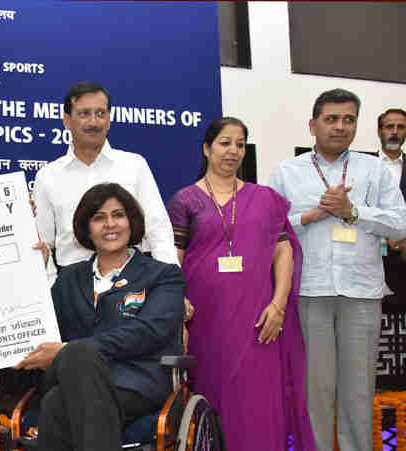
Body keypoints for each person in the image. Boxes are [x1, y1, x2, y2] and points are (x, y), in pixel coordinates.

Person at [269, 89, 406, 451]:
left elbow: (401, 225)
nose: (340, 127)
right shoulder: (287, 172)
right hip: (309, 293)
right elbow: (269, 231)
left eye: (349, 120)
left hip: (361, 294)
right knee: (315, 390)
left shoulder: (373, 169)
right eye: (331, 119)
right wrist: (308, 217)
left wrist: (354, 211)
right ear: (313, 125)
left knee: (358, 391)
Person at [168, 117, 314, 450]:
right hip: (205, 320)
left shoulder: (264, 198)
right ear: (207, 149)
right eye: (224, 143)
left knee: (260, 403)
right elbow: (172, 256)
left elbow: (283, 251)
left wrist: (278, 306)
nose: (233, 151)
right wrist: (177, 299)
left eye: (239, 144)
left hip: (260, 320)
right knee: (214, 396)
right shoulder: (185, 200)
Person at [16, 183, 184, 451]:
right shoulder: (69, 278)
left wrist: (70, 351)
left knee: (57, 402)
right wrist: (30, 272)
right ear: (86, 228)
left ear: (132, 222)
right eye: (98, 218)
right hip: (74, 380)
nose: (110, 224)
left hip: (135, 383)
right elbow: (44, 330)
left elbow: (149, 332)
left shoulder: (163, 275)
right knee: (71, 373)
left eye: (118, 215)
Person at [33, 82, 178, 283]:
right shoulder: (47, 176)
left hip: (131, 281)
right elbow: (42, 243)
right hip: (72, 286)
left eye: (101, 113)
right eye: (84, 114)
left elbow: (158, 231)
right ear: (67, 120)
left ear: (109, 119)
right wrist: (53, 289)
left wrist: (170, 286)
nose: (93, 122)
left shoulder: (134, 165)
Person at [378, 109, 406, 301]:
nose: (395, 131)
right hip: (371, 253)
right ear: (380, 131)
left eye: (401, 127)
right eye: (389, 126)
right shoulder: (362, 164)